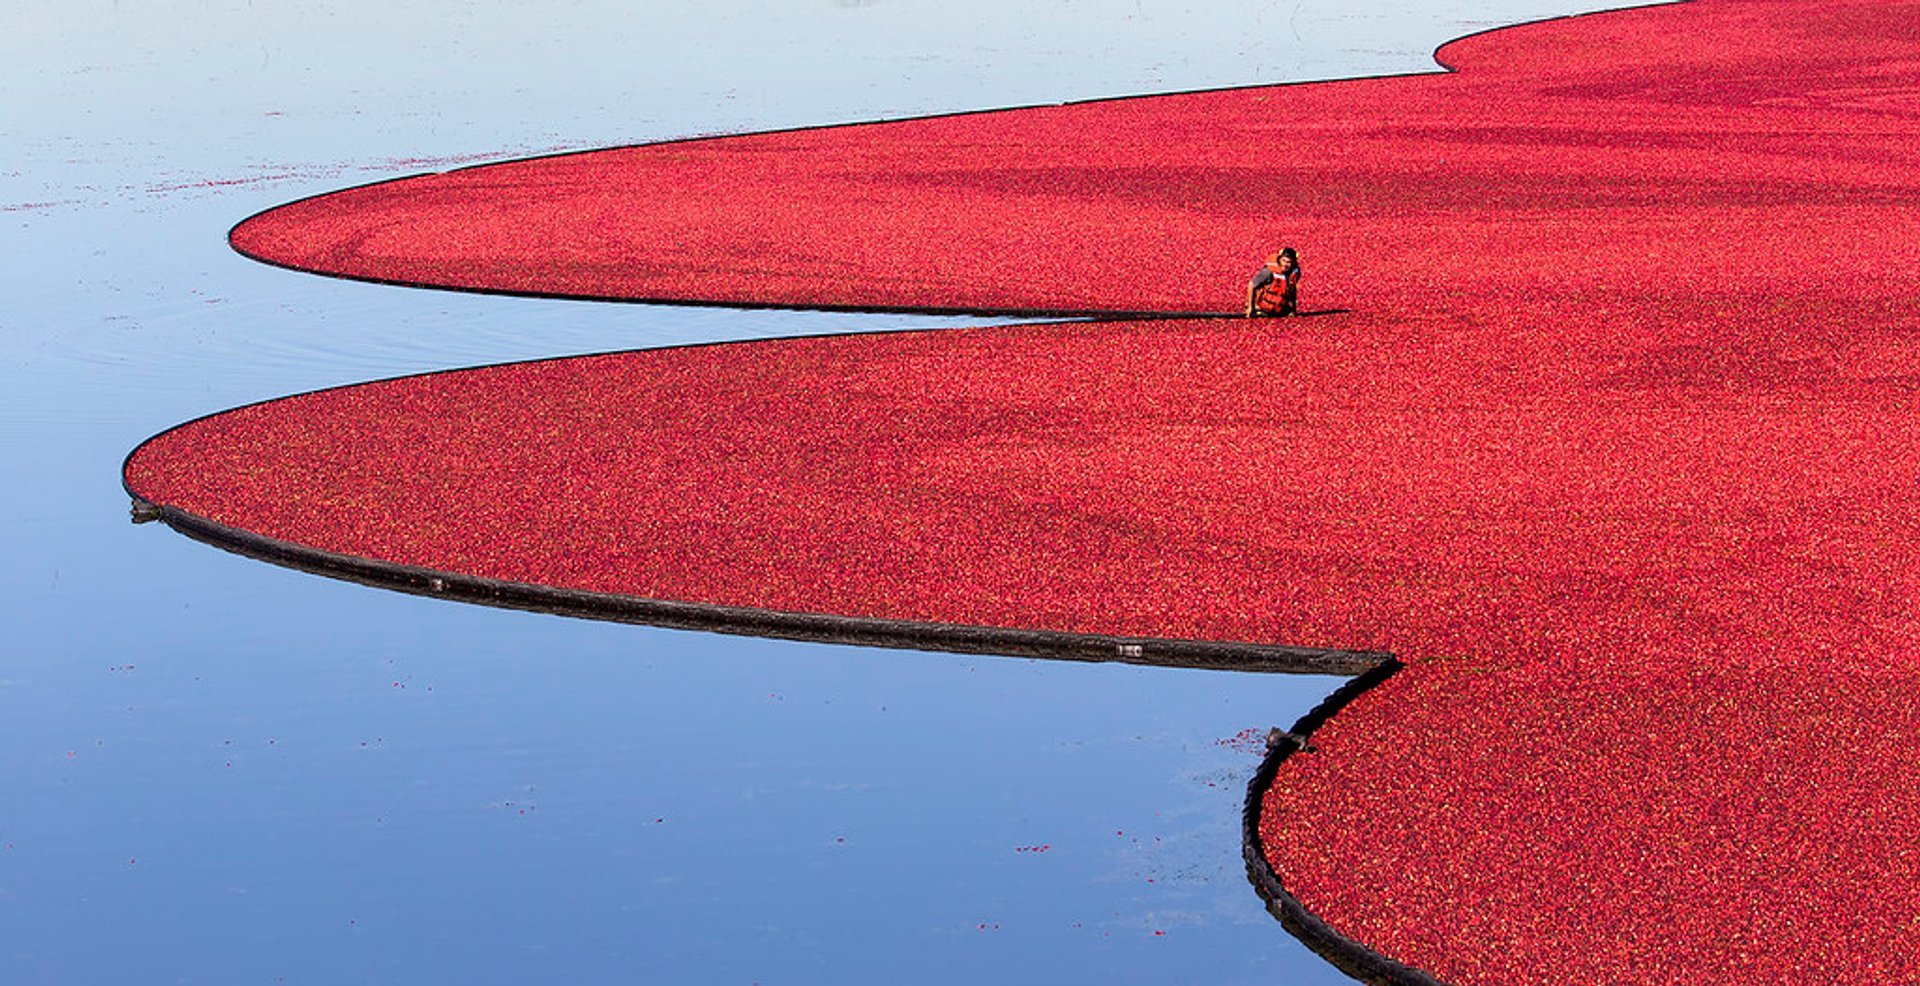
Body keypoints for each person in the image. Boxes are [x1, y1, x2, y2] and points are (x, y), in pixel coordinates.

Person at [1245, 247, 1301, 317]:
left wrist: (1293, 309)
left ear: (1293, 263)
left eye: (1289, 262)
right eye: (1283, 260)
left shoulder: (1294, 273)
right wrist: (1250, 307)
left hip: (1278, 308)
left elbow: (1292, 290)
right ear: (1279, 260)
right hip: (1261, 306)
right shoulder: (1268, 272)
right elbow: (1251, 285)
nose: (1285, 265)